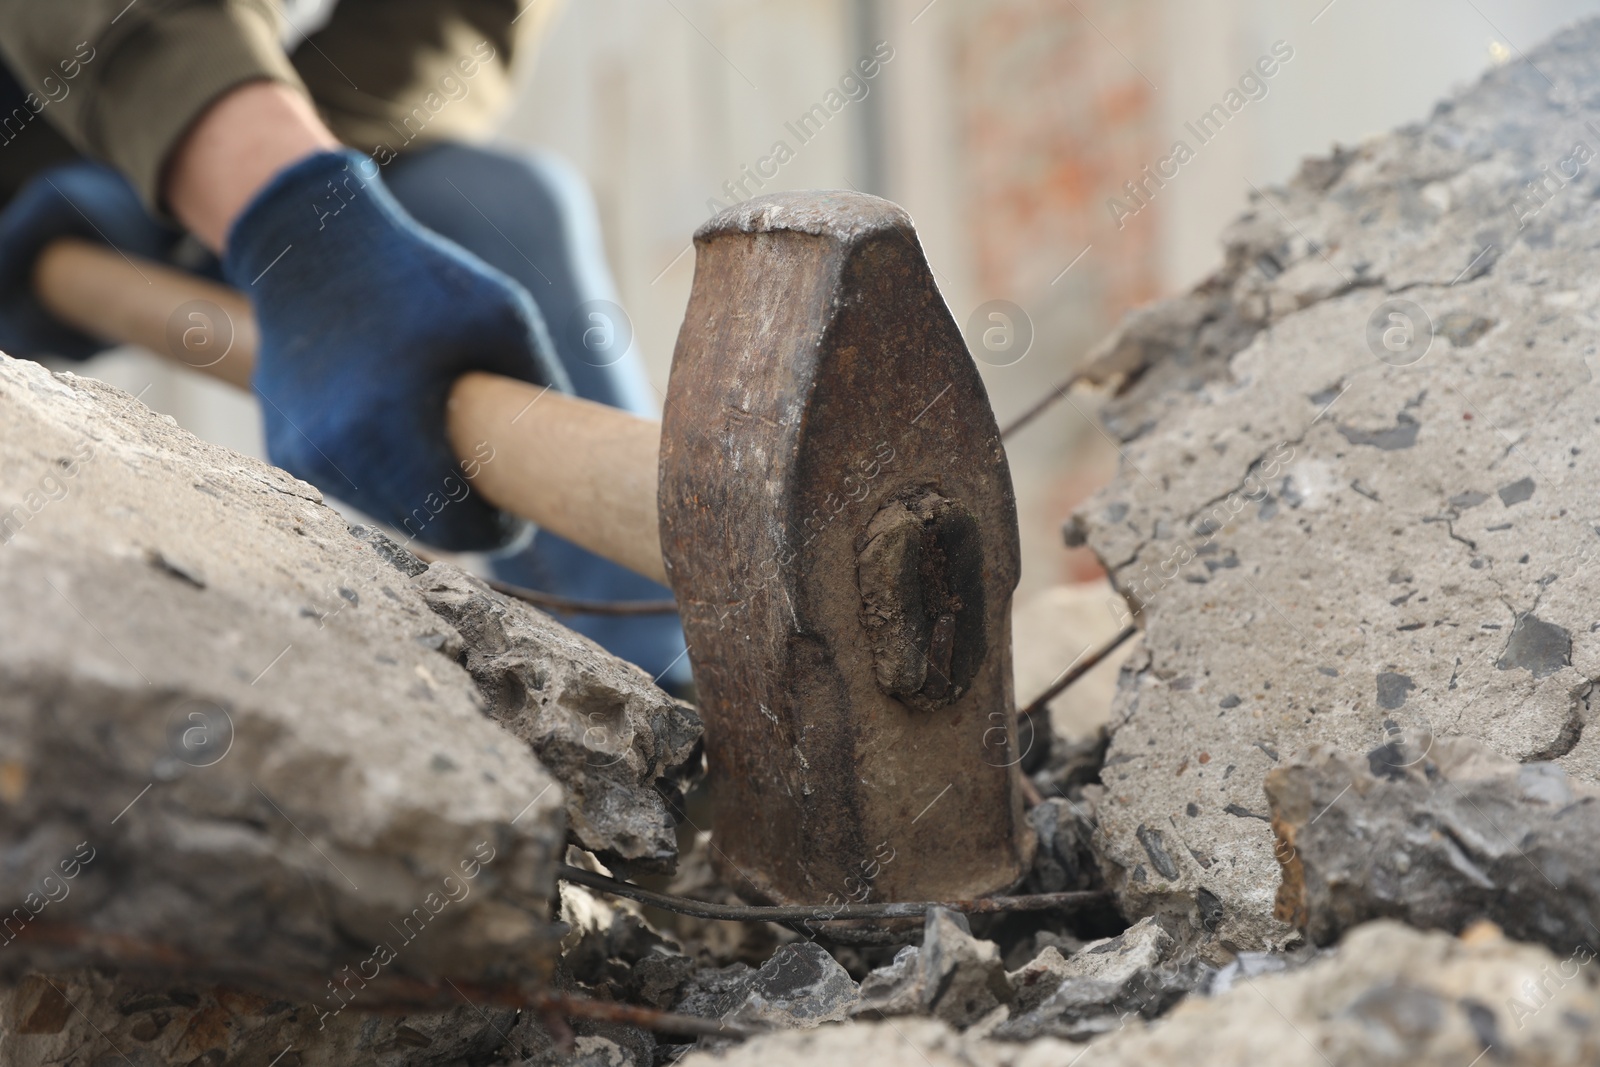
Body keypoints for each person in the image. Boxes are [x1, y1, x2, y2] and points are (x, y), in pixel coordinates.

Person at [0, 1, 688, 687]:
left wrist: (260, 192)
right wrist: (283, 211)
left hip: (143, 136)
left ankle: (673, 685)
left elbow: (450, 19)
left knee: (501, 201)